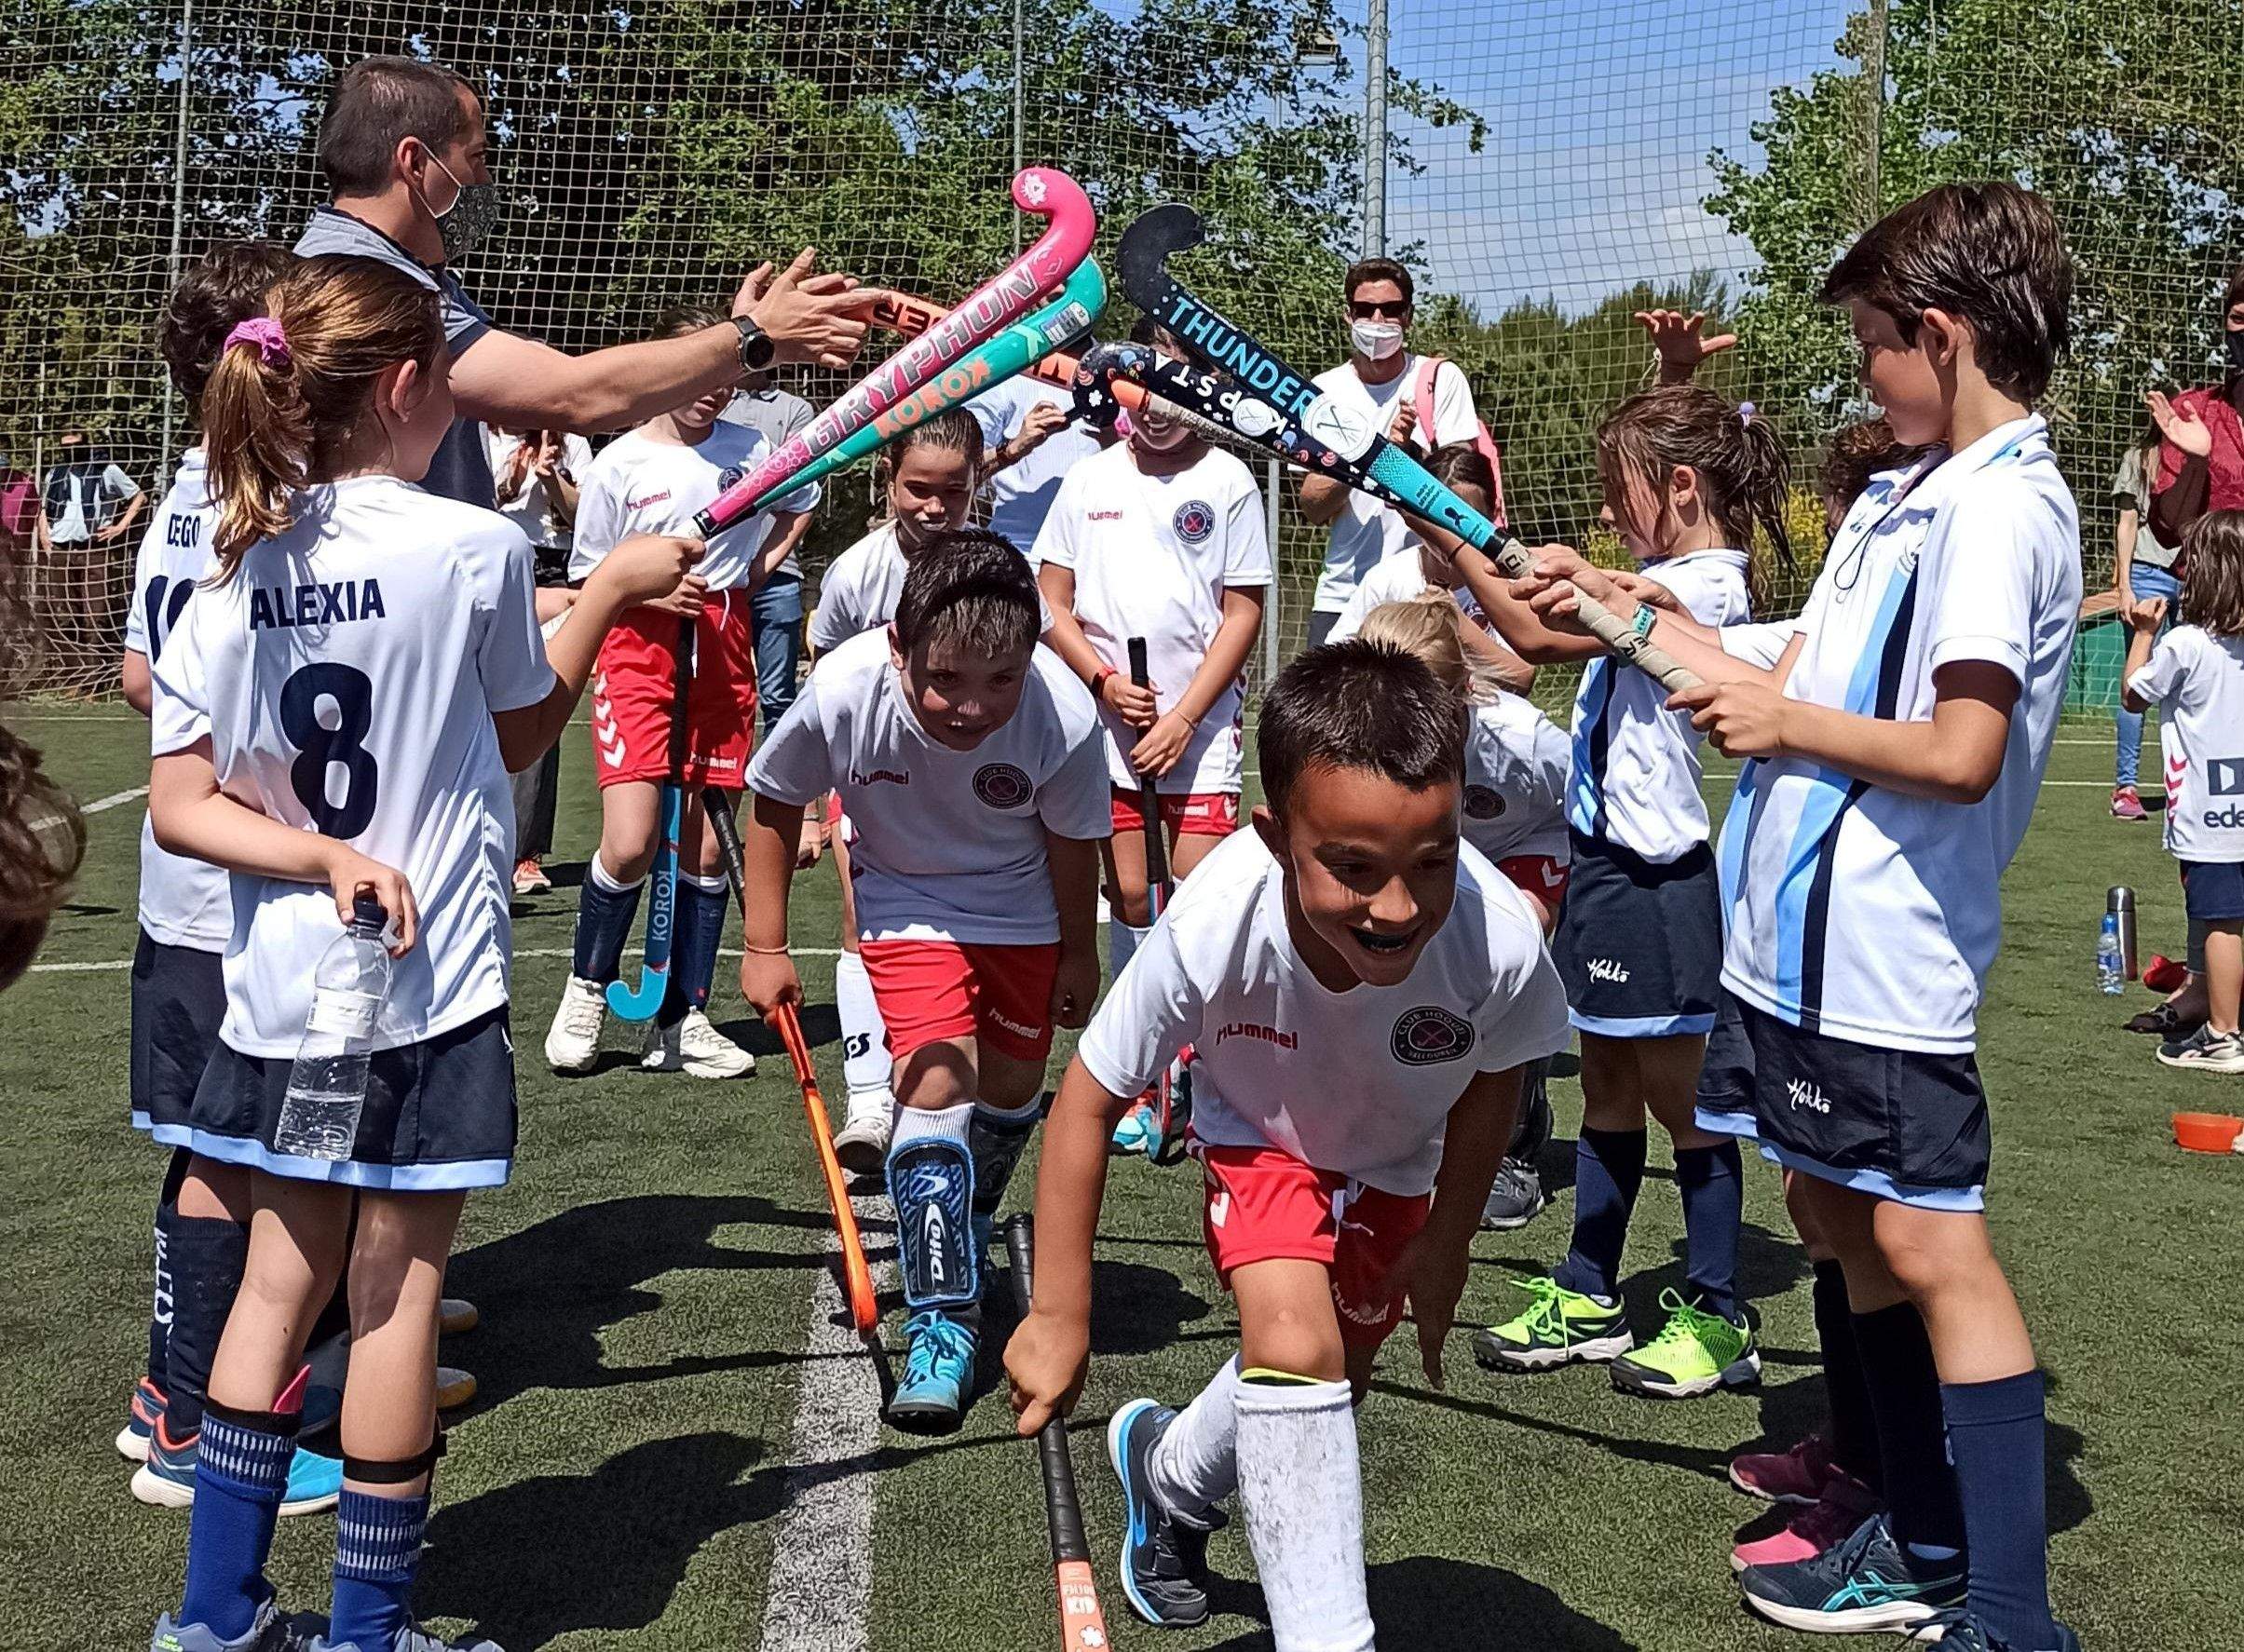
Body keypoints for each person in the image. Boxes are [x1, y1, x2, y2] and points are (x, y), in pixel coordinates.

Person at [1521, 181, 2083, 1652]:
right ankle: (1892, 1491)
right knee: (1828, 1214)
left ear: (1942, 335)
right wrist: (1614, 609)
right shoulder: (1907, 490)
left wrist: (1777, 716)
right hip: (1793, 952)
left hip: (1885, 958)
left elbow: (1959, 751)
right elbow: (1786, 656)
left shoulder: (2001, 507)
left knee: (1932, 1246)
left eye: (1873, 347)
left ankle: (1993, 1599)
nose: (1863, 375)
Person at [144, 255, 697, 1652]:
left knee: (280, 1284)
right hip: (422, 983)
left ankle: (215, 1617)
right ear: (403, 385)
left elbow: (180, 805)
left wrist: (318, 855)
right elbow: (521, 731)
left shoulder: (234, 558)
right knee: (390, 1301)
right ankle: (367, 1632)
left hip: (280, 995)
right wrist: (615, 590)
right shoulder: (471, 544)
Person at [1003, 640, 1569, 1645]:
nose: (1398, 906)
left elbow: (1498, 1070)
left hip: (1400, 1161)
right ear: (1273, 835)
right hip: (1258, 1132)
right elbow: (1087, 1097)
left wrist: (1449, 1242)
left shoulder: (1502, 938)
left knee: (1334, 1371)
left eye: (1430, 862)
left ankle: (1167, 1475)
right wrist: (1058, 1309)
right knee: (1296, 1344)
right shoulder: (1215, 920)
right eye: (1353, 868)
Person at [1462, 383, 1789, 1401]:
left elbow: (1541, 637)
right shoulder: (1653, 574)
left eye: (1620, 490)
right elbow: (1578, 596)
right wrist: (1564, 565)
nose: (1607, 512)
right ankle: (1591, 1290)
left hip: (1661, 878)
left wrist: (1439, 516)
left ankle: (1718, 1309)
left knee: (1686, 1107)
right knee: (1606, 1089)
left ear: (1681, 485)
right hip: (1603, 866)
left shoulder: (1713, 591)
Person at [738, 534, 1108, 1431]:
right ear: (897, 645)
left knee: (1012, 1091)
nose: (971, 706)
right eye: (944, 678)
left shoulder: (1061, 714)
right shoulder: (842, 690)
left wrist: (1074, 952)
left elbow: (1071, 845)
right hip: (904, 904)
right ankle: (943, 1321)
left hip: (1021, 912)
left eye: (999, 682)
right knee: (937, 1082)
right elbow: (778, 798)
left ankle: (954, 1215)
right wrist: (764, 942)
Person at [112, 241, 359, 1519]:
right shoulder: (255, 502)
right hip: (232, 891)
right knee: (234, 1151)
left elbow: (144, 675)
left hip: (200, 882)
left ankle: (182, 1390)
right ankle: (196, 1420)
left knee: (229, 1144)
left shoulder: (194, 488)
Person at [293, 55, 871, 511]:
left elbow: (559, 383)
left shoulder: (390, 269)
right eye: (477, 156)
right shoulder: (365, 284)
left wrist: (739, 344)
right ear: (416, 163)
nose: (487, 179)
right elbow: (577, 395)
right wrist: (751, 336)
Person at [543, 305, 819, 1081]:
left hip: (723, 644)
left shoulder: (753, 447)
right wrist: (647, 596)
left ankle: (683, 1018)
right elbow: (587, 575)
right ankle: (587, 988)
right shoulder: (618, 462)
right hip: (638, 647)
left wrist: (750, 576)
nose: (713, 393)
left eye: (728, 378)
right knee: (630, 840)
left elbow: (794, 505)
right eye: (699, 375)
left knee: (705, 845)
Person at [1035, 329, 1271, 1154]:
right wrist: (1102, 681)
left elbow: (1242, 611)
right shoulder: (1090, 478)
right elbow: (1051, 598)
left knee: (1199, 903)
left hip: (1196, 735)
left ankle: (1212, 1083)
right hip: (1105, 732)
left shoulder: (1228, 480)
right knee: (1133, 902)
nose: (1158, 404)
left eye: (1176, 385)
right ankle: (1140, 1078)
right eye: (1143, 384)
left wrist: (1180, 719)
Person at [805, 409, 989, 1173]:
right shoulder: (854, 574)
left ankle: (947, 1084)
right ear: (888, 482)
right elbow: (820, 693)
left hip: (968, 784)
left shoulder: (992, 566)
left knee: (961, 937)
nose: (934, 507)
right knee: (861, 923)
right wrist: (817, 808)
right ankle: (869, 1097)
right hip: (872, 775)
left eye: (953, 490)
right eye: (917, 488)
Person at [1353, 592, 1571, 1229]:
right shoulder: (1354, 731)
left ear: (1462, 694)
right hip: (1433, 854)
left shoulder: (1528, 743)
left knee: (1509, 962)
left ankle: (1513, 1145)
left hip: (1523, 845)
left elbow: (1586, 805)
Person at [1299, 257, 1484, 650]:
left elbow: (1463, 494)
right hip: (1343, 591)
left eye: (1392, 309)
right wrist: (1376, 453)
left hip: (1427, 594)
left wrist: (1407, 454)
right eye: (1365, 310)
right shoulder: (1323, 391)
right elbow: (1313, 507)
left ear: (1409, 317)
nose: (1378, 320)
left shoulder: (1437, 381)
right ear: (1348, 316)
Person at [2122, 508, 2244, 1072]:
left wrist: (2145, 635)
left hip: (2211, 813)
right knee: (2219, 914)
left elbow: (2133, 695)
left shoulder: (2187, 644)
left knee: (2220, 919)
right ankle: (2208, 1002)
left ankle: (2223, 1034)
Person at [1327, 441, 1533, 694]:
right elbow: (1336, 663)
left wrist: (1453, 621)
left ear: (1493, 514)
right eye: (1438, 521)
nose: (1453, 535)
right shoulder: (1387, 580)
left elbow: (1522, 679)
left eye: (1469, 522)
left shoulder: (1507, 586)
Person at [483, 424, 591, 894]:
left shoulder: (573, 442)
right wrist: (511, 477)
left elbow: (583, 516)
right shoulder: (471, 434)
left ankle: (526, 853)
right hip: (493, 561)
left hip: (552, 567)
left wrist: (549, 476)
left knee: (536, 697)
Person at [720, 370, 821, 736]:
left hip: (779, 574)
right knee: (721, 692)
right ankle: (716, 788)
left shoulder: (795, 409)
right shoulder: (713, 403)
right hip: (721, 574)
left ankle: (778, 788)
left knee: (778, 695)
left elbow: (793, 480)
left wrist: (761, 568)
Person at [2109, 419, 2184, 820]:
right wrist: (2124, 584)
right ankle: (2126, 788)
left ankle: (2186, 783)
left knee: (2188, 682)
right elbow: (2126, 523)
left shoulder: (2199, 463)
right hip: (2147, 574)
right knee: (2136, 681)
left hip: (2192, 576)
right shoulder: (2138, 460)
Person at [2143, 263, 2244, 548]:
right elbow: (2171, 531)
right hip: (2209, 587)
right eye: (2238, 318)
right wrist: (2197, 463)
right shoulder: (2194, 412)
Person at [35, 425, 145, 674]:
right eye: (65, 448)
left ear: (85, 446)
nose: (70, 452)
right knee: (62, 610)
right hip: (61, 551)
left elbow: (138, 496)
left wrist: (119, 527)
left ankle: (93, 676)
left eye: (76, 447)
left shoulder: (105, 471)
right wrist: (44, 534)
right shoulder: (55, 474)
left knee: (94, 613)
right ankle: (72, 672)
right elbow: (45, 508)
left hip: (93, 550)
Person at [969, 372, 1107, 553]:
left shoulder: (1116, 374)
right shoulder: (1007, 373)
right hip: (1017, 550)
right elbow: (957, 472)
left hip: (1098, 551)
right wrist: (1011, 450)